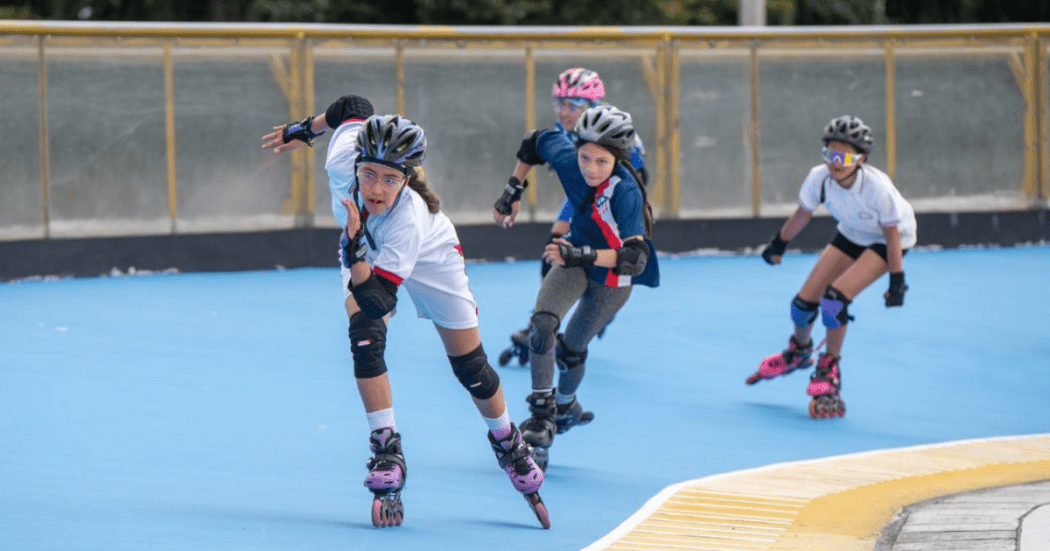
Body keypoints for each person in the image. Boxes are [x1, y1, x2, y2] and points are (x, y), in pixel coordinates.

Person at [262, 98, 549, 529]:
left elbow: (381, 299)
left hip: (430, 257)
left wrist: (357, 246)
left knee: (470, 367)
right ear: (356, 163)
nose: (376, 188)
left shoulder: (409, 217)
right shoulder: (342, 160)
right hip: (362, 250)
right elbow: (353, 106)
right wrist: (307, 128)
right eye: (369, 174)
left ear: (408, 179)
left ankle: (508, 442)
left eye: (390, 179)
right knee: (364, 337)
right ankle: (385, 446)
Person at [493, 104, 660, 469]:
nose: (590, 169)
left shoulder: (627, 192)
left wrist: (581, 254)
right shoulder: (569, 161)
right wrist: (512, 190)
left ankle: (566, 403)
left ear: (618, 159)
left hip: (612, 276)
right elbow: (534, 142)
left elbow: (635, 258)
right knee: (542, 326)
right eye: (585, 158)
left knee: (571, 350)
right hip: (576, 259)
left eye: (601, 161)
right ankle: (541, 414)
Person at [746, 115, 916, 419]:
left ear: (861, 158)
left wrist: (896, 280)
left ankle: (830, 368)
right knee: (801, 305)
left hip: (890, 239)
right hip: (852, 232)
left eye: (845, 156)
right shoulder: (819, 179)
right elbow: (801, 215)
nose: (836, 163)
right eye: (830, 155)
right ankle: (799, 351)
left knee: (834, 301)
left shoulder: (877, 189)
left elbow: (891, 235)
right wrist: (778, 243)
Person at [498, 67, 648, 368]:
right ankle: (543, 318)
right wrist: (513, 190)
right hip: (585, 191)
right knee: (554, 244)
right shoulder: (565, 129)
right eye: (561, 104)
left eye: (573, 106)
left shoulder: (612, 133)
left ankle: (599, 304)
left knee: (602, 251)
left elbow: (633, 178)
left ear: (592, 107)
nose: (565, 112)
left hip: (617, 193)